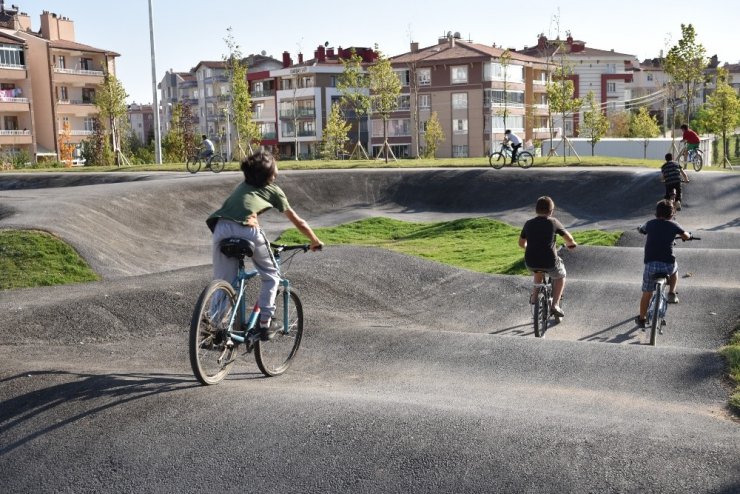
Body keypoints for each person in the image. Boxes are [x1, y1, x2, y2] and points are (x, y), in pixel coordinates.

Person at [206, 151, 323, 340]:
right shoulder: (274, 190)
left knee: (224, 281)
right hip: (247, 230)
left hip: (220, 228)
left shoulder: (243, 186)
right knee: (271, 276)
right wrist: (315, 241)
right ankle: (264, 324)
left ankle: (212, 329)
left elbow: (241, 207)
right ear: (269, 175)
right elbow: (298, 221)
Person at [635, 199, 692, 328]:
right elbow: (686, 236)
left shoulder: (650, 224)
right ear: (672, 214)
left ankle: (642, 319)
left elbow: (642, 229)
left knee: (647, 293)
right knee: (675, 269)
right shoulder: (674, 225)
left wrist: (641, 229)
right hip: (668, 265)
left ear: (656, 212)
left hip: (651, 265)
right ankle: (672, 292)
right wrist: (688, 235)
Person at [518, 196, 577, 317]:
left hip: (530, 262)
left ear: (536, 210)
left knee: (538, 270)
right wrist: (571, 244)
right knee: (561, 275)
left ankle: (534, 298)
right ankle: (555, 304)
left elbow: (521, 243)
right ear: (551, 211)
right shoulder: (553, 222)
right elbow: (569, 239)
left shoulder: (528, 223)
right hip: (549, 262)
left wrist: (529, 247)